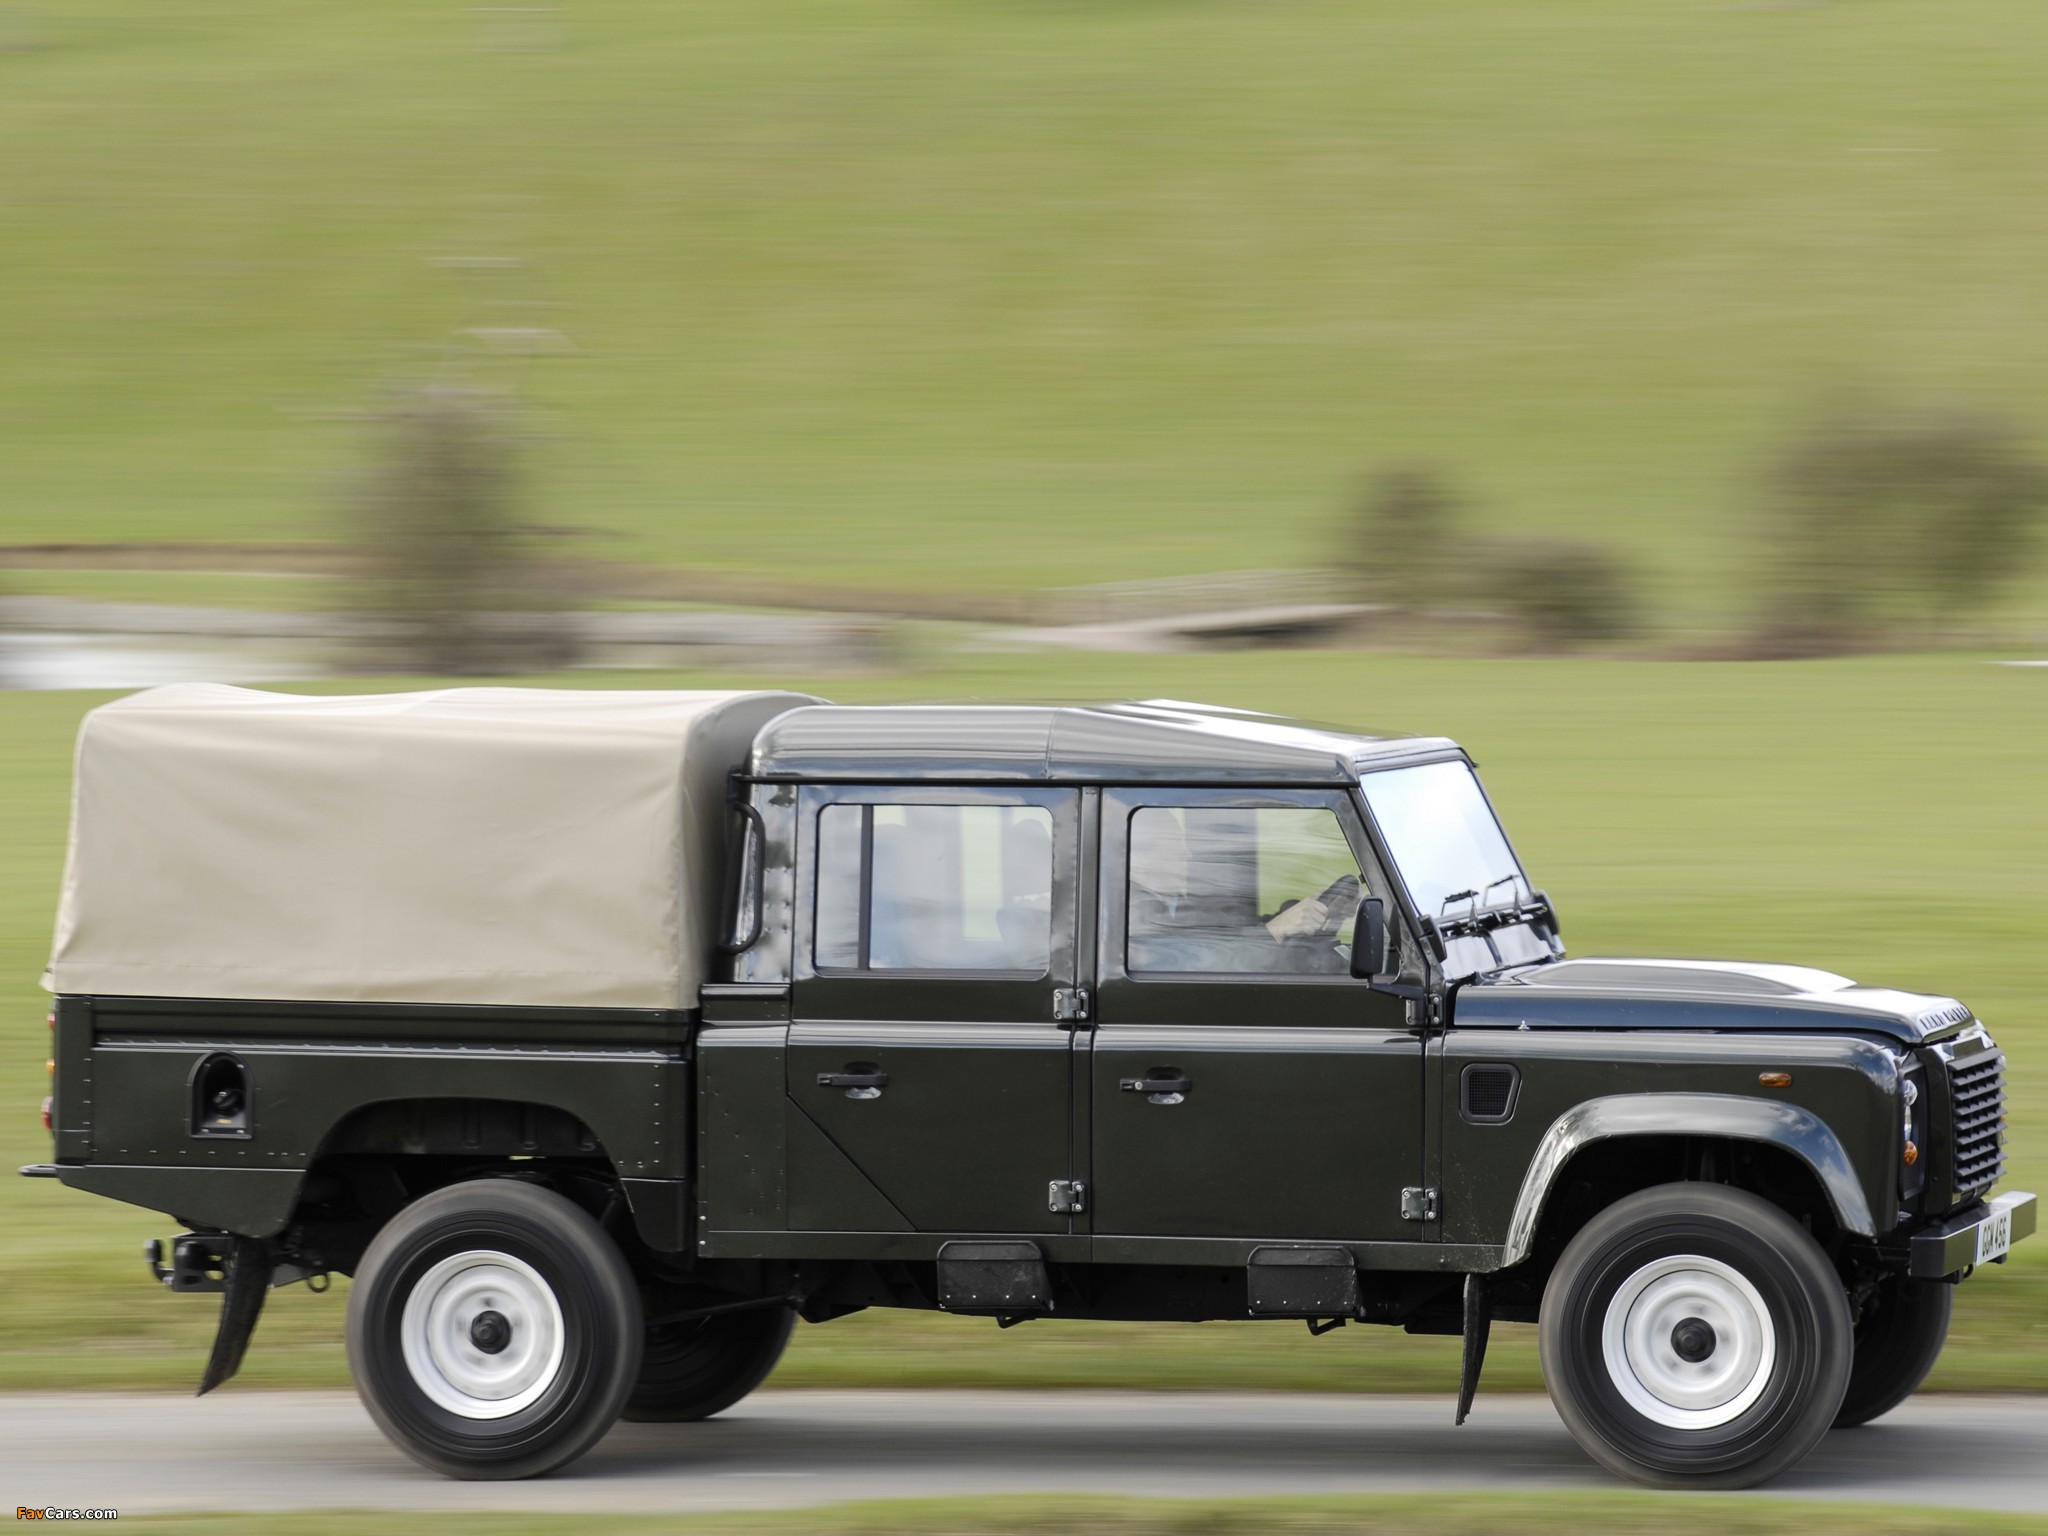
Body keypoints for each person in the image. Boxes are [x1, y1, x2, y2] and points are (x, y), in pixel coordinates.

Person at [1127, 812, 1359, 974]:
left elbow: (1230, 931)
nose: (1187, 854)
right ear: (1138, 857)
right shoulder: (1129, 914)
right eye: (1173, 845)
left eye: (1183, 843)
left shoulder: (1178, 903)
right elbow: (1193, 964)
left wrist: (1305, 913)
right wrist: (1275, 930)